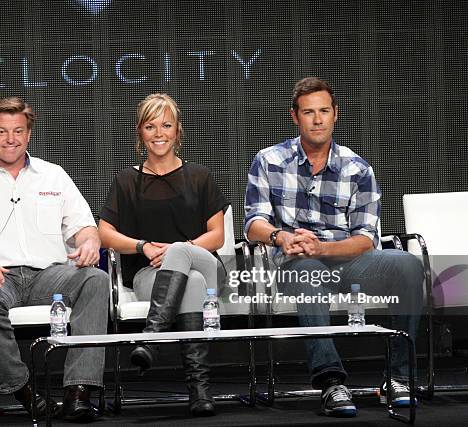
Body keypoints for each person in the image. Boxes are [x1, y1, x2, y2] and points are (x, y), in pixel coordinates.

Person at [244, 77, 424, 417]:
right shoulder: (268, 160)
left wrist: (322, 249)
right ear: (294, 117)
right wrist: (282, 237)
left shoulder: (358, 169)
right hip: (294, 263)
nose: (317, 119)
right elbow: (254, 223)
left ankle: (399, 377)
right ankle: (331, 382)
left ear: (335, 114)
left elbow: (365, 238)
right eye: (308, 112)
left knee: (407, 264)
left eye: (324, 111)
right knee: (307, 270)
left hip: (346, 260)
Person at [0, 97, 108, 422]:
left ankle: (78, 393)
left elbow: (83, 226)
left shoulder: (53, 176)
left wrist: (89, 243)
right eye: (2, 131)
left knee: (96, 280)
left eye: (18, 131)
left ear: (28, 135)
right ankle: (25, 392)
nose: (10, 139)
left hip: (48, 276)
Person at [99, 93, 229, 417]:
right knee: (192, 282)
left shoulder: (199, 176)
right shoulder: (127, 181)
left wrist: (178, 250)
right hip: (150, 276)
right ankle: (199, 390)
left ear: (178, 130)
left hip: (206, 264)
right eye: (151, 125)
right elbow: (105, 233)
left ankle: (152, 339)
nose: (159, 133)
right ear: (140, 132)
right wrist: (142, 246)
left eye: (166, 125)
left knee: (190, 263)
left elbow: (217, 235)